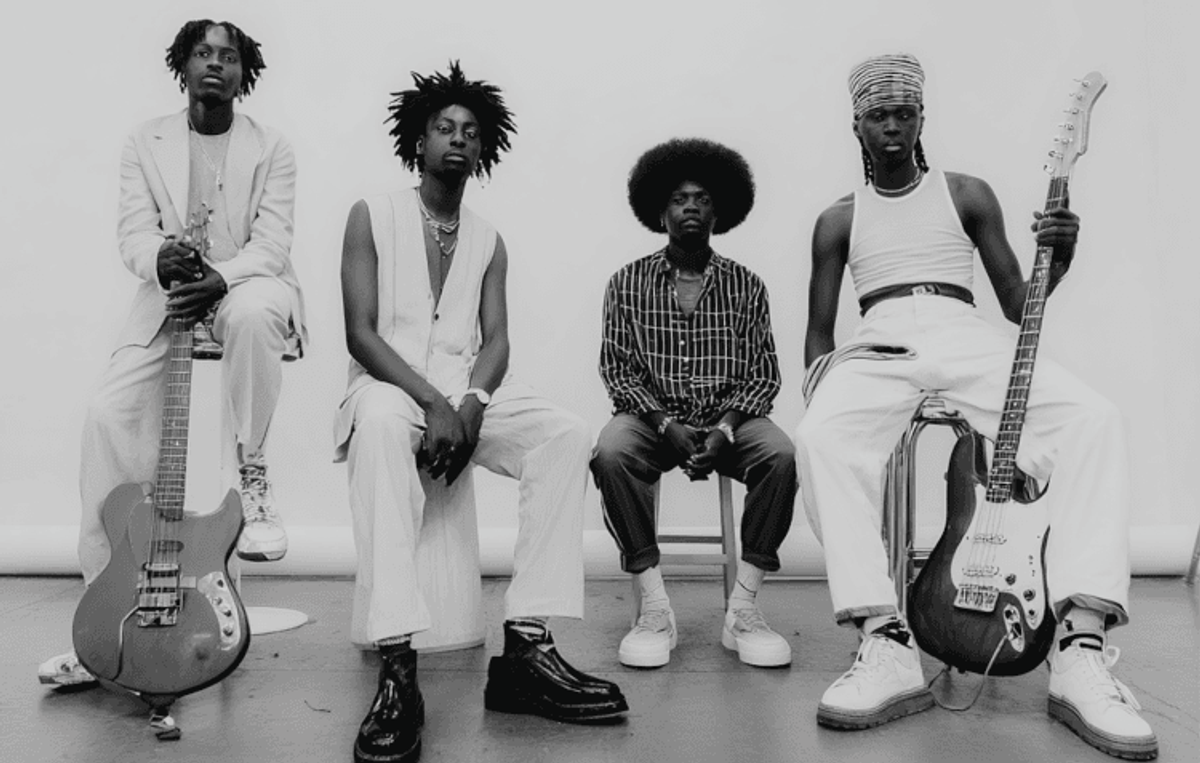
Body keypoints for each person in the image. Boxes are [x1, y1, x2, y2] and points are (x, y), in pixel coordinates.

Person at [794, 53, 1157, 760]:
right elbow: (819, 327)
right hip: (880, 340)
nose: (892, 126)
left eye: (904, 114)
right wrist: (822, 383)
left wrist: (1061, 255)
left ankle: (1079, 645)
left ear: (921, 119)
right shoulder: (838, 219)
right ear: (856, 126)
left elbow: (1019, 304)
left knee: (1093, 419)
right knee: (818, 437)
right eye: (878, 116)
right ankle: (883, 639)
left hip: (964, 333)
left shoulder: (965, 193)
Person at [336, 62, 627, 763]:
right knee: (380, 430)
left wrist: (472, 403)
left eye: (471, 131)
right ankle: (398, 668)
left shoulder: (488, 238)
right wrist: (434, 402)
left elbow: (496, 341)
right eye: (445, 127)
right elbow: (361, 334)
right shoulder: (372, 214)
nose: (458, 139)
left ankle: (526, 648)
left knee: (564, 434)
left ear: (484, 147)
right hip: (388, 387)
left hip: (464, 391)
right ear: (419, 140)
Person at [38, 18, 305, 688]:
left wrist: (223, 277)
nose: (215, 64)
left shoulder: (272, 147)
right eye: (202, 53)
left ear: (244, 73)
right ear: (182, 66)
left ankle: (254, 471)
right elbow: (132, 233)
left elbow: (272, 245)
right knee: (105, 417)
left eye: (229, 56)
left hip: (247, 284)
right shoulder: (145, 140)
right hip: (171, 296)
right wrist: (161, 257)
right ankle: (105, 622)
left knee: (250, 313)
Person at [591, 138, 797, 670]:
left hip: (729, 422)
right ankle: (655, 608)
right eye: (679, 199)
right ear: (659, 212)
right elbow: (618, 369)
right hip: (652, 421)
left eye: (702, 199)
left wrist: (724, 429)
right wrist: (664, 425)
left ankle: (743, 608)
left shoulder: (747, 286)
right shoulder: (626, 283)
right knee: (610, 452)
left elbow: (763, 374)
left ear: (719, 212)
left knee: (781, 456)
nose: (690, 208)